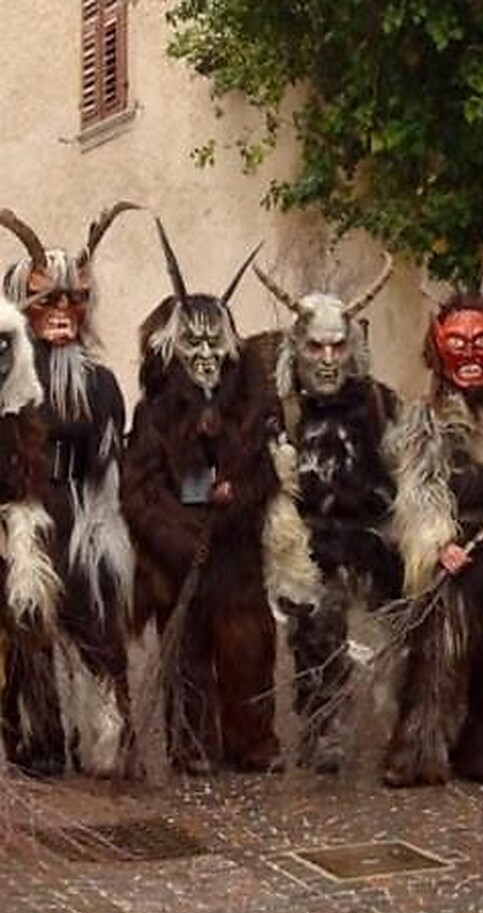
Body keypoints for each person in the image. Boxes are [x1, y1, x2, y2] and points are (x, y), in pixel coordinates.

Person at [122, 221, 283, 774]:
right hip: (178, 560)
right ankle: (191, 744)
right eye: (194, 344)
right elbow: (139, 491)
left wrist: (238, 493)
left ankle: (253, 742)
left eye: (216, 343)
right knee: (185, 655)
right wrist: (181, 538)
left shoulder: (252, 409)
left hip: (235, 553)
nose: (207, 355)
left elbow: (268, 475)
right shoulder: (153, 414)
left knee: (248, 648)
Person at [1, 204, 138, 776]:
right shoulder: (11, 376)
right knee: (28, 633)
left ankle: (106, 739)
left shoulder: (100, 382)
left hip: (85, 518)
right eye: (47, 300)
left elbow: (110, 459)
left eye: (74, 299)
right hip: (25, 518)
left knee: (96, 630)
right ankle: (38, 741)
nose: (62, 311)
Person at [383, 287, 483, 788]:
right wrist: (436, 544)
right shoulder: (426, 415)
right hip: (455, 550)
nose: (470, 355)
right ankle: (417, 752)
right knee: (435, 657)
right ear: (438, 344)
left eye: (480, 341)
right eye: (458, 342)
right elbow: (418, 485)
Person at [254, 254, 400, 773]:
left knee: (407, 634)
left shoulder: (380, 403)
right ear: (298, 347)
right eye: (316, 347)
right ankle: (324, 731)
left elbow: (404, 470)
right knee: (317, 637)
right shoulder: (281, 410)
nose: (328, 359)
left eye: (338, 346)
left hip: (375, 537)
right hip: (312, 544)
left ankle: (408, 727)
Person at [0, 295, 66, 775]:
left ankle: (35, 743)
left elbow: (33, 476)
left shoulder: (23, 413)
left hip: (20, 529)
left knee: (29, 632)